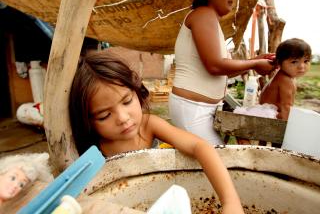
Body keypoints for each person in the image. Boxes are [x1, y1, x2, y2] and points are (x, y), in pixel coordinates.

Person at [69, 51, 244, 213]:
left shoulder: (149, 124)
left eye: (127, 101)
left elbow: (200, 146)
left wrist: (231, 202)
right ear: (88, 122)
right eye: (104, 115)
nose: (122, 118)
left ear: (137, 92)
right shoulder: (93, 151)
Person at [169, 0, 275, 145]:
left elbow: (222, 70)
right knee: (216, 164)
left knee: (207, 166)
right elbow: (215, 66)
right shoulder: (203, 14)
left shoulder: (208, 18)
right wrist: (253, 65)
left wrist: (255, 60)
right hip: (193, 109)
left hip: (199, 108)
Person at [260, 38, 312, 120]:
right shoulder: (285, 80)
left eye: (306, 61)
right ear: (279, 62)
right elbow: (286, 106)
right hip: (269, 116)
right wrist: (289, 128)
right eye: (294, 62)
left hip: (267, 112)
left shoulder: (285, 76)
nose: (301, 66)